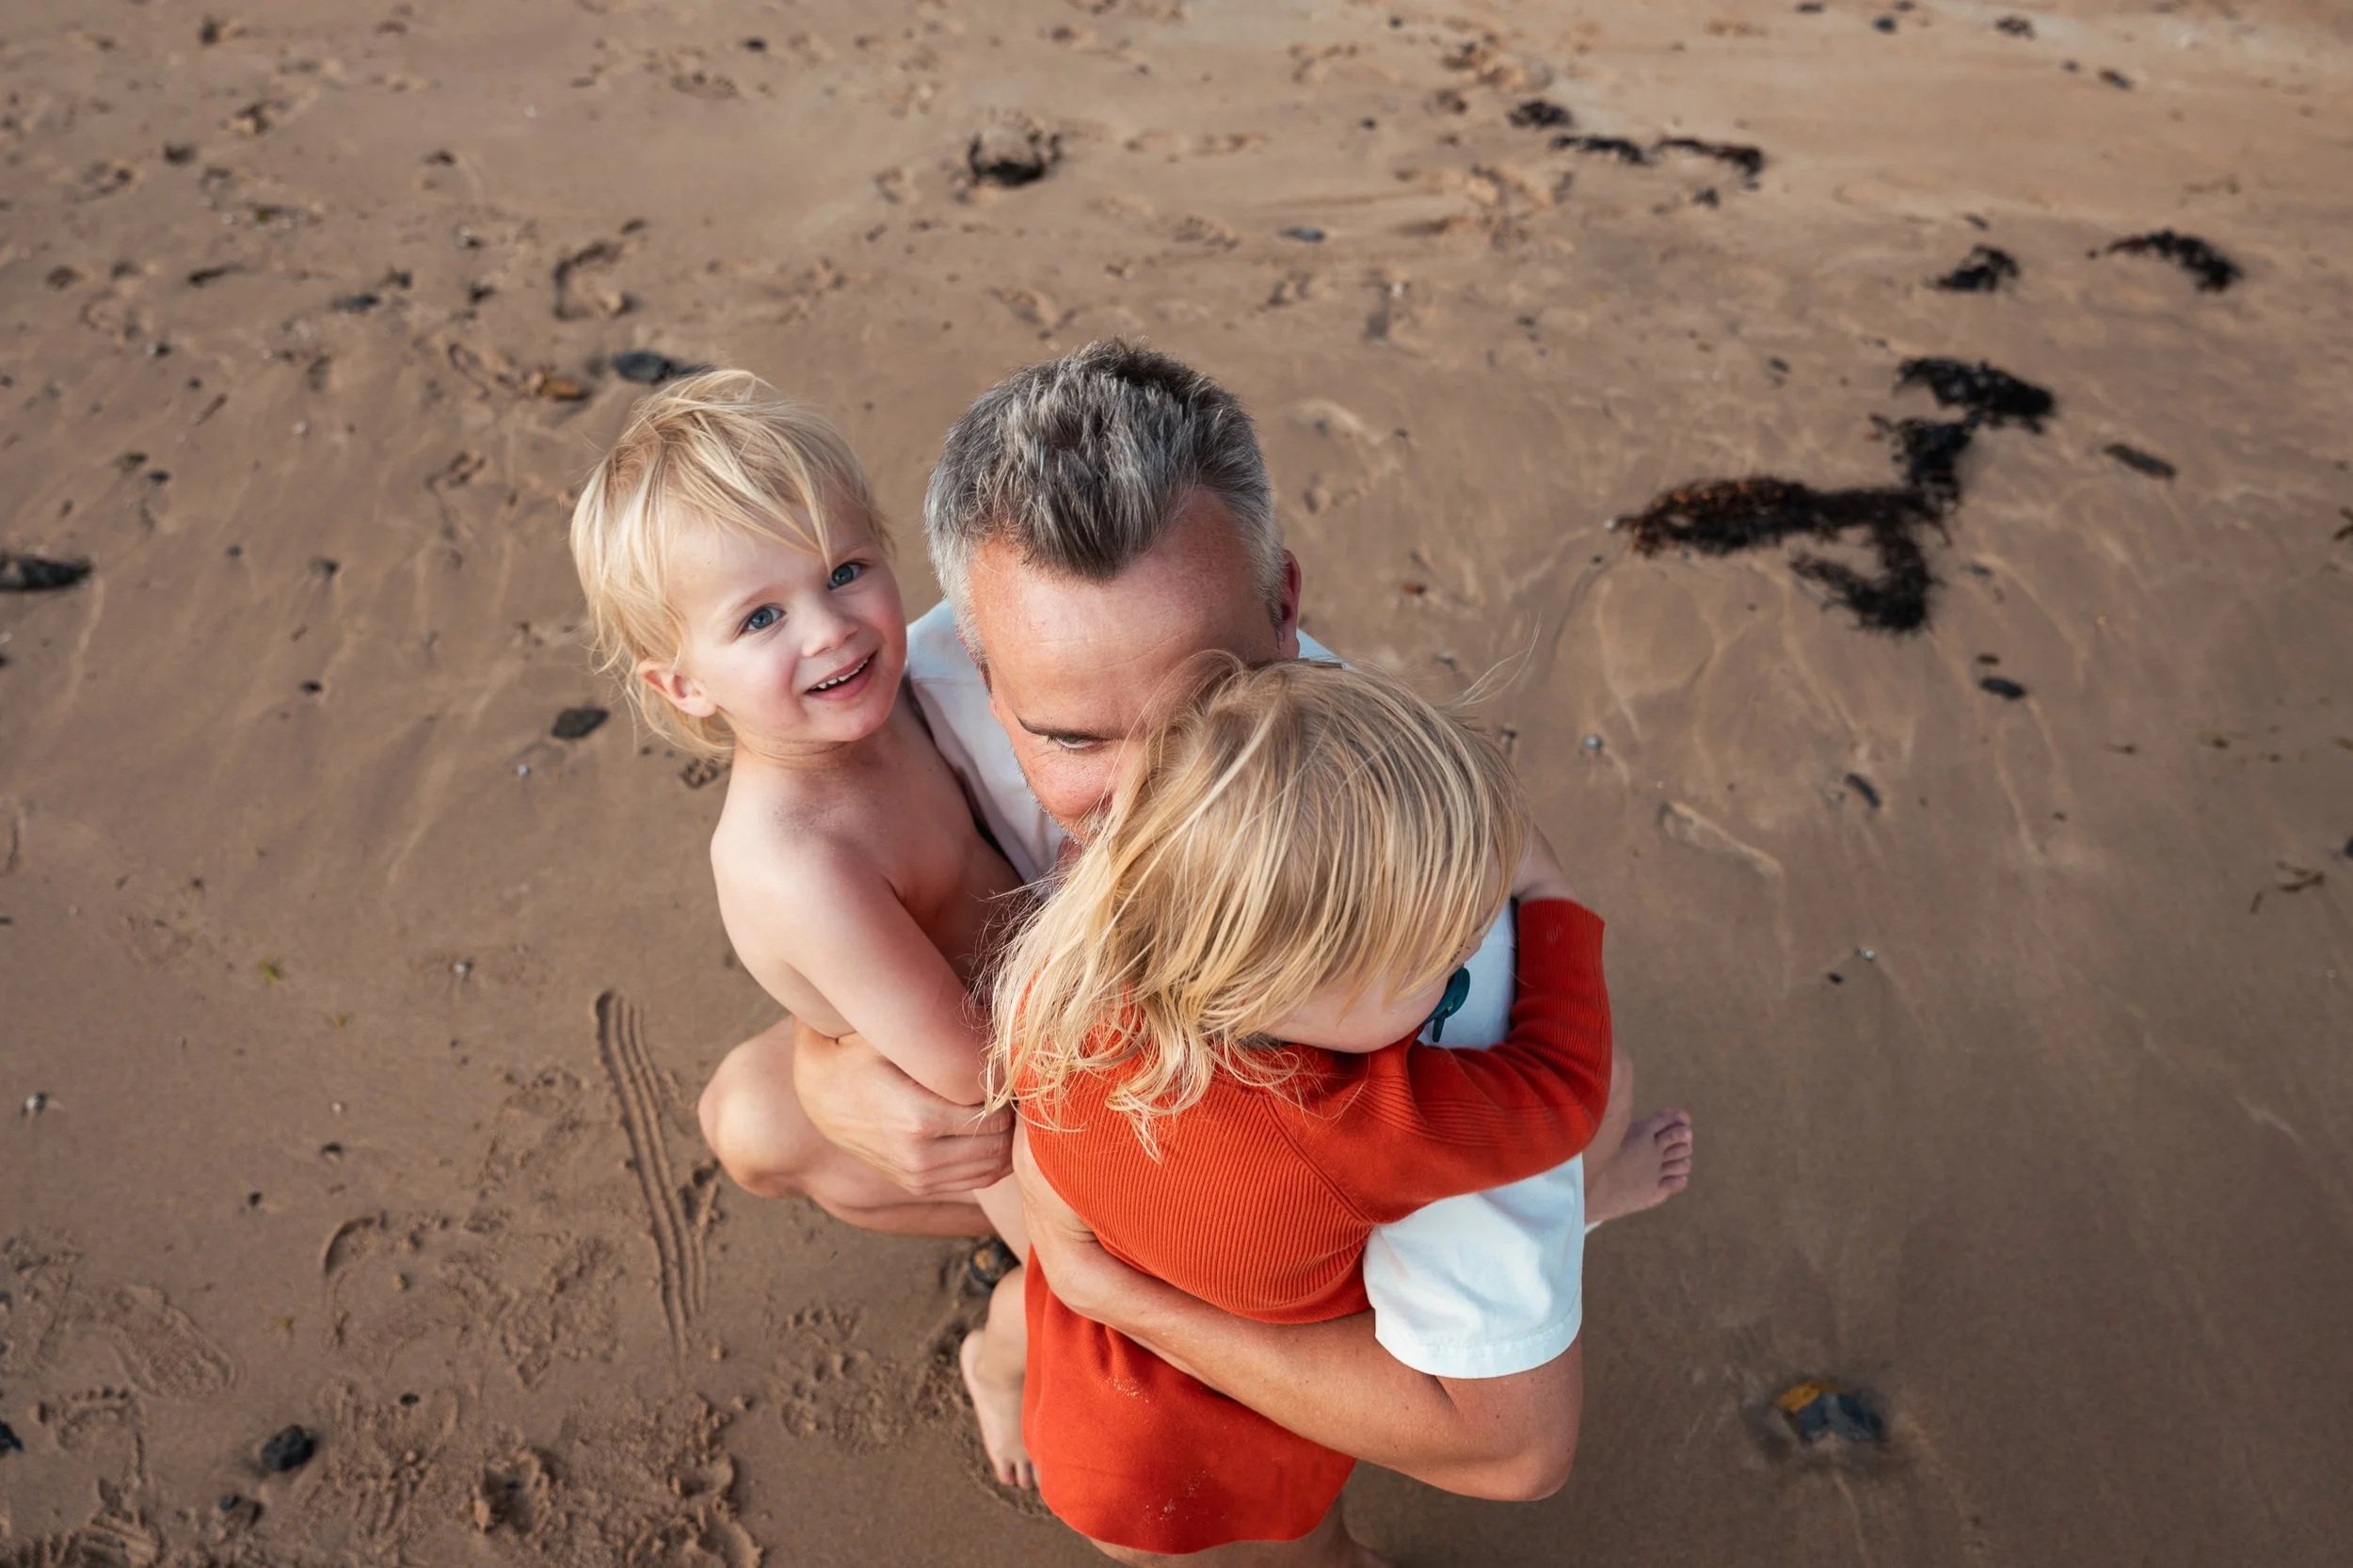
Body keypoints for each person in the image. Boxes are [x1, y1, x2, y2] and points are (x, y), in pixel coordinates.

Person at [698, 341, 1695, 1502]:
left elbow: (1516, 1453)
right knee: (756, 1115)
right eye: (1072, 739)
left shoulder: (1412, 939)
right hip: (1092, 1125)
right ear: (973, 652)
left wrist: (1120, 1294)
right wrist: (831, 1071)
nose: (1147, 818)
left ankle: (1557, 1216)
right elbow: (790, 858)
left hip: (1284, 1219)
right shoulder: (923, 673)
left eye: (1204, 718)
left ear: (1282, 609)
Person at [995, 655, 1619, 1564]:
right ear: (1269, 993)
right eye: (1440, 961)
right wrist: (1551, 893)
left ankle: (995, 1365)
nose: (1466, 956)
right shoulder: (1351, 1130)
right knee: (1299, 1541)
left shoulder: (1066, 975)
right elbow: (1564, 1088)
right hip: (1202, 1430)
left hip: (1091, 1369)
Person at [567, 369, 1036, 1486]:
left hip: (998, 1010)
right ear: (682, 684)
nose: (831, 630)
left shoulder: (915, 688)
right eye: (762, 616)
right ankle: (1001, 1357)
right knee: (1105, 1286)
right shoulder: (792, 857)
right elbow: (978, 1073)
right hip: (985, 1084)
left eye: (845, 571)